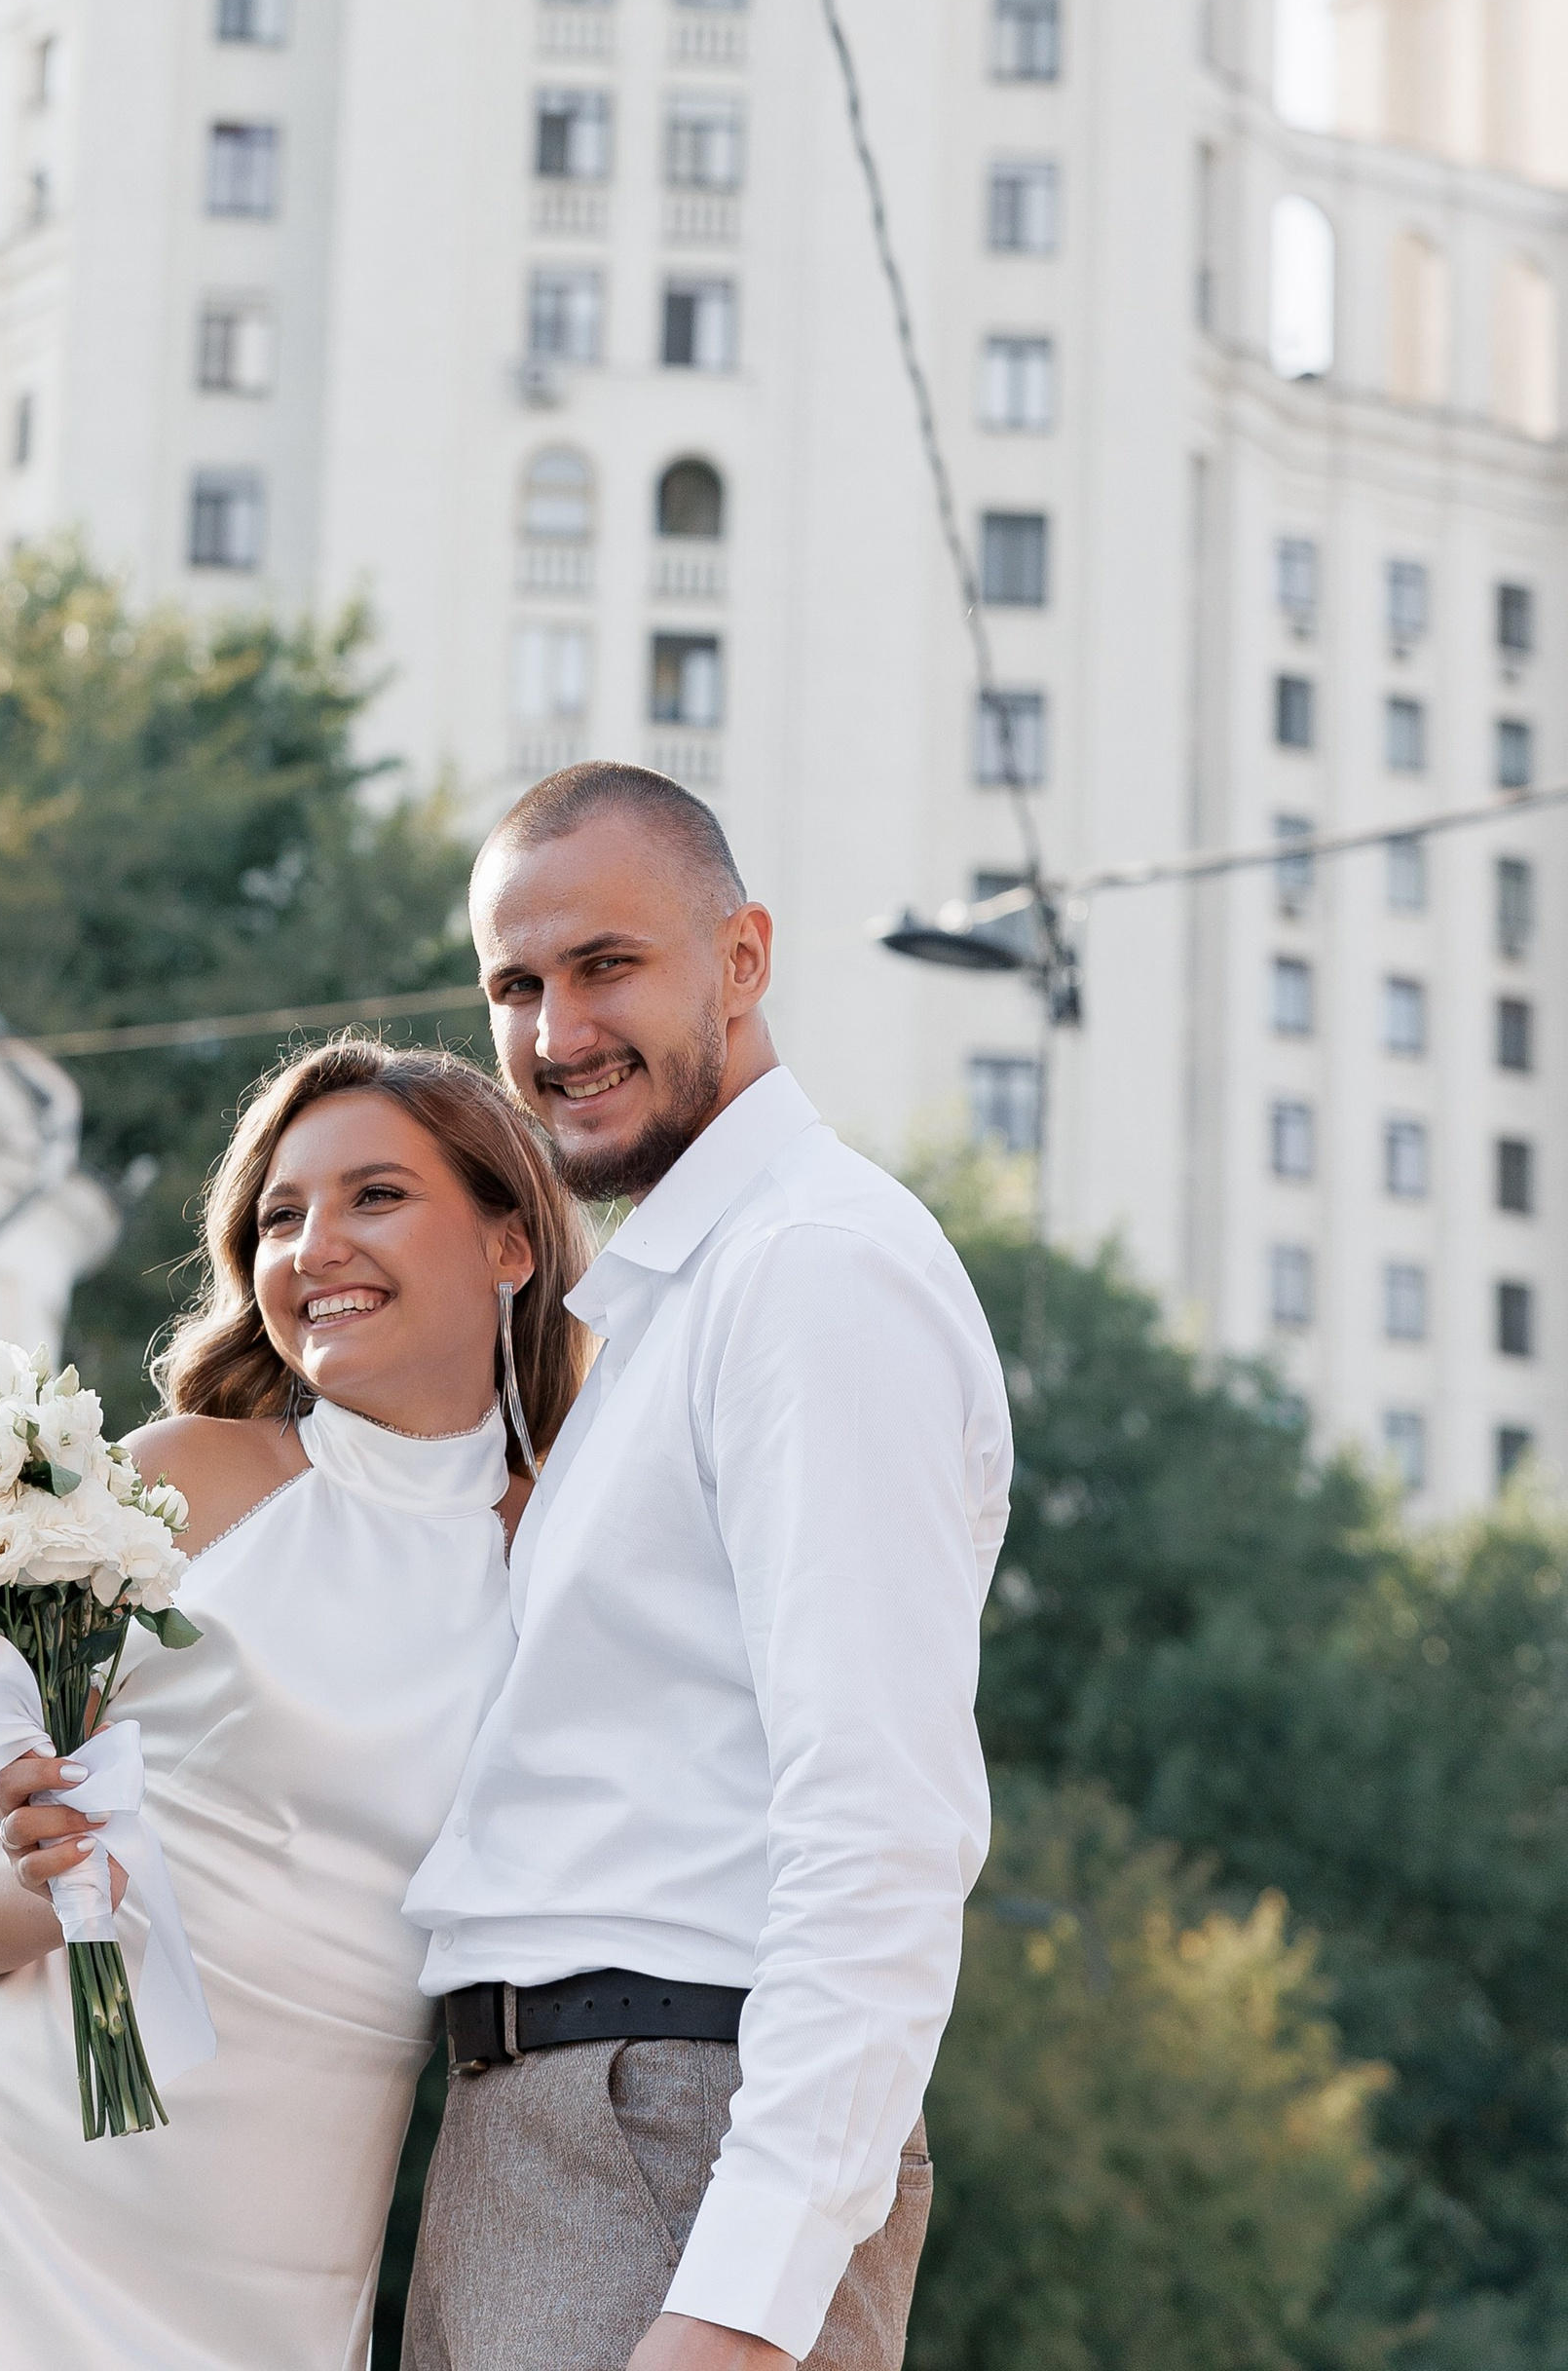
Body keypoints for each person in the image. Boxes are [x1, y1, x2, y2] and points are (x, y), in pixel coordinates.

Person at [0, 1036, 589, 2371]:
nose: (315, 1246)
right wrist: (48, 1882)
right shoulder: (180, 1482)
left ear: (509, 1244)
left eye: (377, 1196)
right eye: (279, 1216)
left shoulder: (571, 1546)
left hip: (276, 2263)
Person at [401, 762, 1014, 2371]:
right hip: (549, 2135)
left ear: (742, 959)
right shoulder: (663, 1309)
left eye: (608, 966)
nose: (553, 1033)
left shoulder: (813, 1274)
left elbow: (881, 1822)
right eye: (514, 986)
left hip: (667, 2135)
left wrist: (742, 2307)